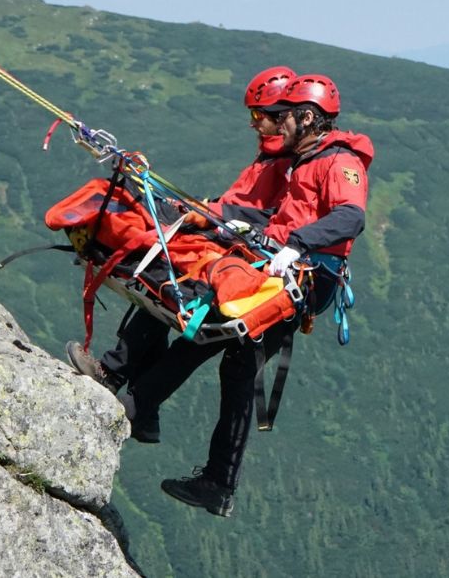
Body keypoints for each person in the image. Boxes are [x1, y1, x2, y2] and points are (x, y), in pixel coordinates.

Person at [132, 74, 374, 516]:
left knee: (208, 333)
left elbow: (351, 217)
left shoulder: (339, 161)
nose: (277, 128)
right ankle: (214, 480)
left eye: (287, 119)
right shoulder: (303, 160)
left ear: (307, 117)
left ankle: (138, 404)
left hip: (305, 275)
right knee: (239, 366)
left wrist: (298, 243)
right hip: (286, 268)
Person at [65, 66, 298, 441]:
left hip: (240, 256)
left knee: (164, 283)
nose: (253, 124)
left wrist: (211, 216)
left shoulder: (288, 166)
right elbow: (240, 204)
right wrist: (201, 208)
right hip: (228, 242)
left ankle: (118, 378)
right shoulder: (271, 158)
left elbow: (268, 217)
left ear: (282, 115)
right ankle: (137, 400)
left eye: (259, 116)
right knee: (160, 289)